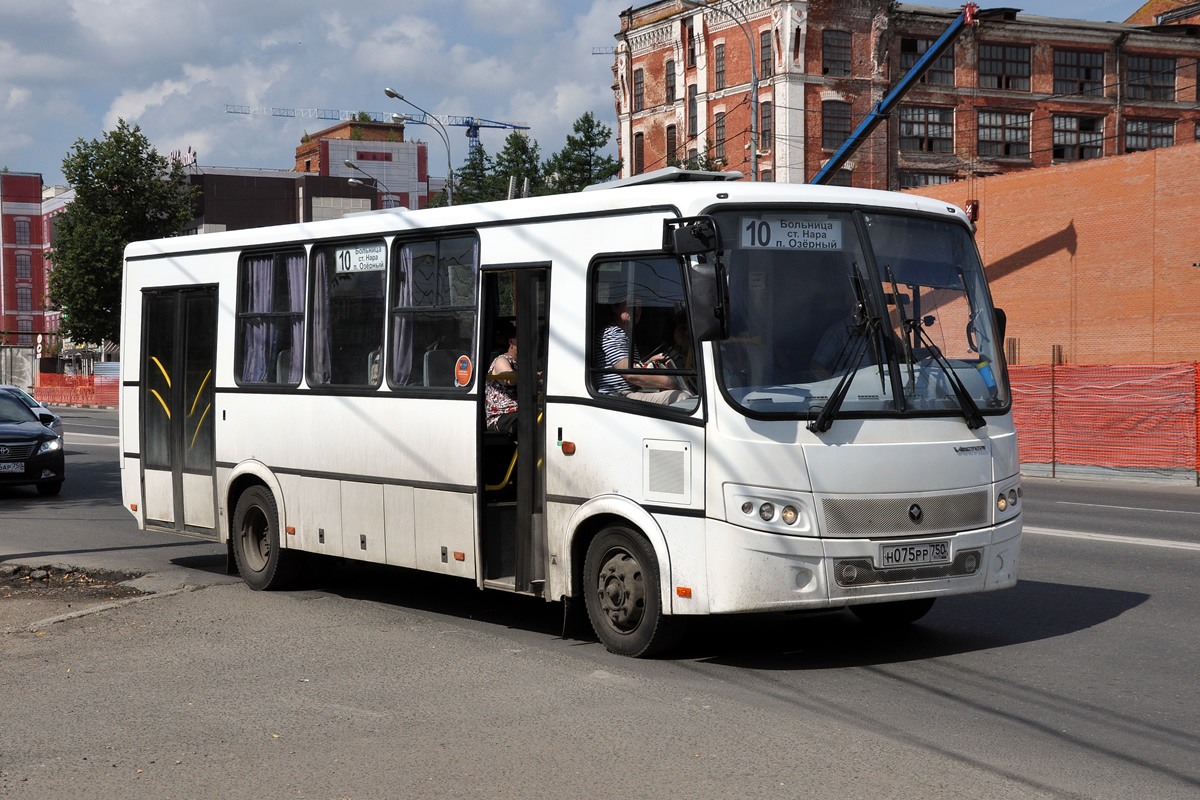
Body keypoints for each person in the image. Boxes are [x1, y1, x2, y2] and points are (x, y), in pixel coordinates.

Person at [596, 297, 692, 405]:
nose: (637, 309)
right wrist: (669, 383)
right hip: (618, 395)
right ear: (615, 307)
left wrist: (647, 363)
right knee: (683, 397)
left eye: (640, 306)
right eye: (632, 304)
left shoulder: (624, 335)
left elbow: (630, 368)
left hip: (629, 392)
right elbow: (631, 374)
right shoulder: (613, 333)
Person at [485, 321, 519, 433]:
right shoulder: (502, 360)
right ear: (511, 342)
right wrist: (531, 376)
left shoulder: (523, 363)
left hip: (519, 411)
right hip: (502, 417)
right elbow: (508, 378)